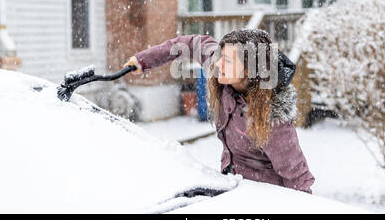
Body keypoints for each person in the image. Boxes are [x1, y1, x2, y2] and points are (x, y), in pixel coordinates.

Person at [123, 29, 315, 193]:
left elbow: (297, 177)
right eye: (221, 56)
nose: (218, 63)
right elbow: (190, 44)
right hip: (232, 190)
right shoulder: (221, 74)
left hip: (263, 199)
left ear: (249, 70)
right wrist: (144, 60)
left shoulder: (272, 119)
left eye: (228, 61)